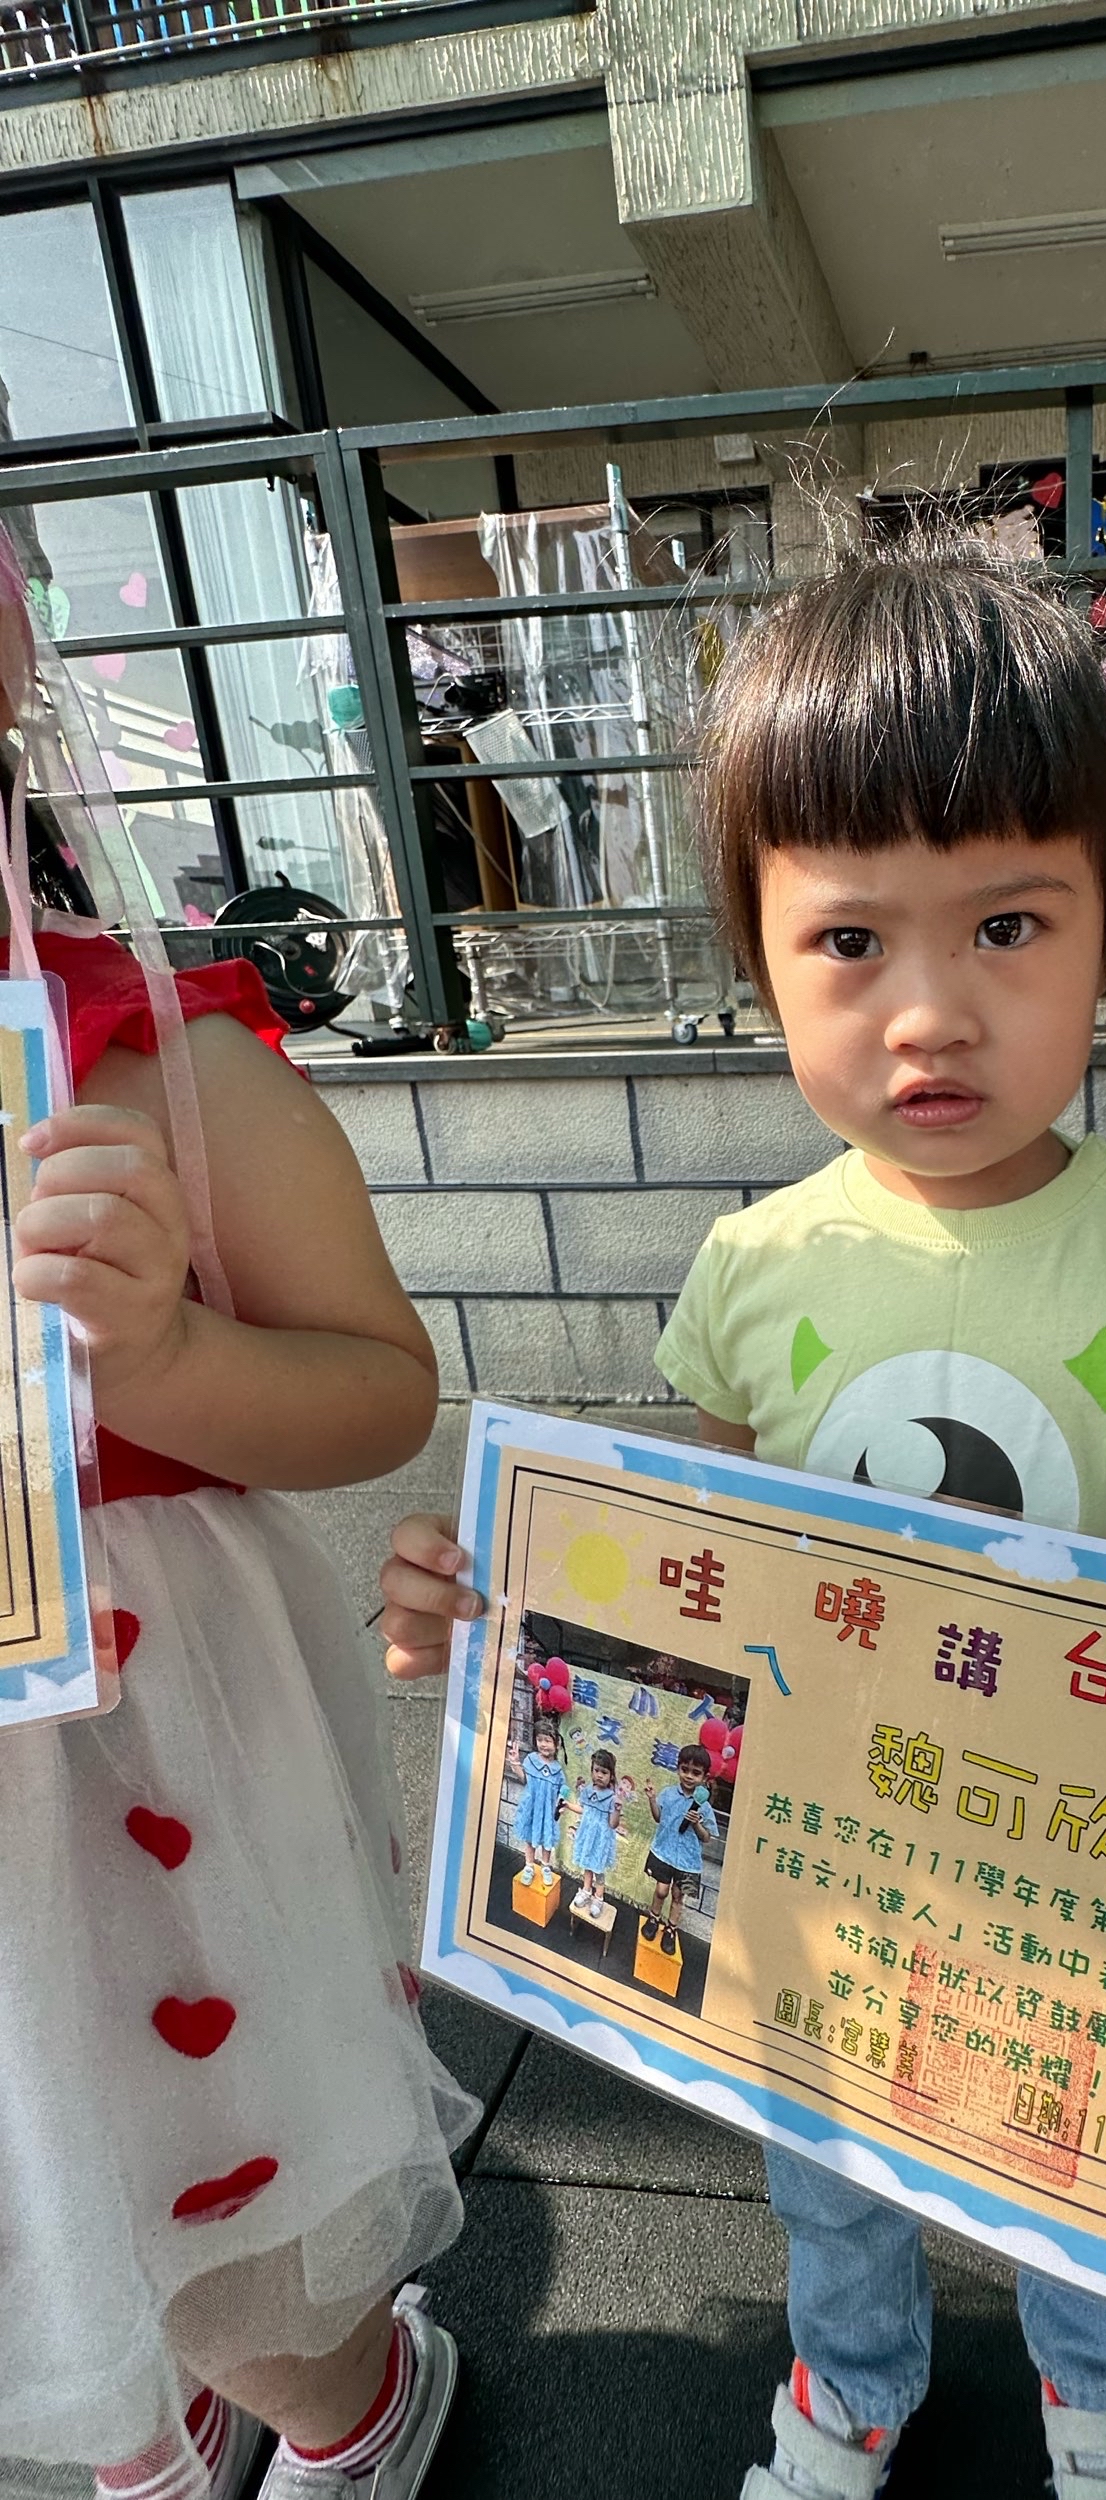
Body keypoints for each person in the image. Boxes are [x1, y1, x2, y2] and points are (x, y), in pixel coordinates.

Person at [377, 542, 1106, 2500]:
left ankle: (1099, 2392)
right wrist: (509, 1619)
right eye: (851, 940)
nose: (929, 1013)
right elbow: (695, 1565)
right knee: (828, 2170)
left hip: (1087, 1853)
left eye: (1007, 925)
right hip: (828, 1860)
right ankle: (853, 2376)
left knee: (1088, 2155)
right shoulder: (753, 1266)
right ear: (761, 956)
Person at [0, 580, 474, 2496]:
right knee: (50, 2196)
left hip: (158, 1749)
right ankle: (152, 2441)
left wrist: (163, 1358)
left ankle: (349, 2410)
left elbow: (376, 1390)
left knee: (240, 2190)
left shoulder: (163, 1061)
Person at [644, 1742, 717, 1929]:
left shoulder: (704, 1807)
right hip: (664, 1853)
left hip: (687, 1861)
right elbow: (658, 1818)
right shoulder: (668, 1794)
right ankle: (653, 1918)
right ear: (678, 1769)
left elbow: (707, 1838)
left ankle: (671, 1928)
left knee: (678, 1896)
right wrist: (652, 1800)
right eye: (685, 1770)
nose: (689, 1776)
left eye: (696, 1773)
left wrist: (696, 1824)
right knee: (661, 1891)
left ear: (704, 1777)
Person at [507, 1718, 568, 1885]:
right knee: (530, 1836)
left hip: (548, 1810)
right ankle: (529, 1865)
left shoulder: (557, 1770)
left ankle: (545, 1866)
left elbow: (563, 1789)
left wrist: (561, 1805)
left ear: (557, 1744)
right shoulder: (531, 1759)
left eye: (547, 1740)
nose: (543, 1744)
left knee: (546, 1839)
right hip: (532, 1807)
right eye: (540, 1740)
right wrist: (515, 1762)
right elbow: (524, 1778)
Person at [570, 1746, 623, 1913]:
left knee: (598, 1870)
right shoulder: (587, 1791)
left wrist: (617, 1810)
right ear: (592, 1770)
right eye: (596, 1770)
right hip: (587, 1836)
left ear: (611, 1775)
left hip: (601, 1840)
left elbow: (613, 1824)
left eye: (604, 1772)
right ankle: (586, 1891)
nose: (599, 1775)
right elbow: (583, 1809)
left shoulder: (612, 1798)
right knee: (587, 1865)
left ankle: (598, 1898)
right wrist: (567, 1805)